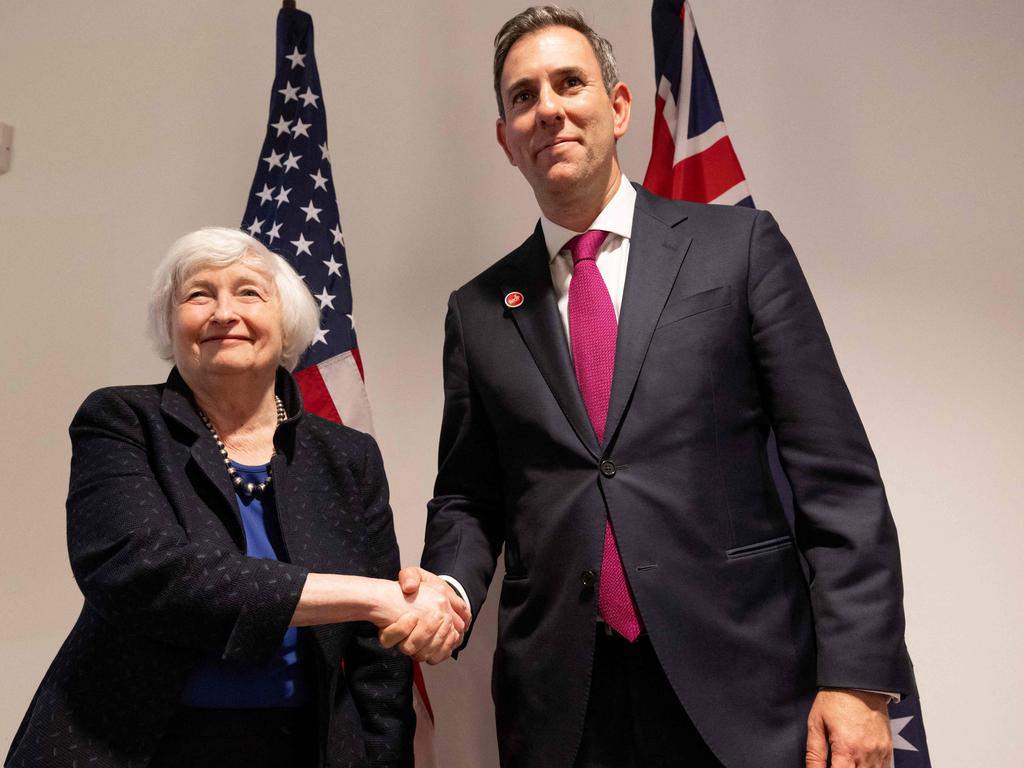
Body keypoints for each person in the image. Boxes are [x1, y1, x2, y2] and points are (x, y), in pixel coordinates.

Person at [383, 7, 916, 768]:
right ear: (505, 138)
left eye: (571, 83)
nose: (550, 110)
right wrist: (451, 590)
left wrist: (859, 682)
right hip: (565, 707)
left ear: (620, 106)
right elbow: (471, 495)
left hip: (747, 689)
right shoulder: (478, 311)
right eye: (523, 97)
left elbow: (837, 478)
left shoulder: (740, 248)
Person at [5, 227, 464, 768]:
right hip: (132, 744)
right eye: (199, 294)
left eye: (249, 292)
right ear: (170, 324)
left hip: (304, 745)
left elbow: (377, 660)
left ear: (286, 319)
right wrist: (370, 596)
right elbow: (140, 571)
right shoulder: (122, 420)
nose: (224, 312)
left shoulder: (347, 455)